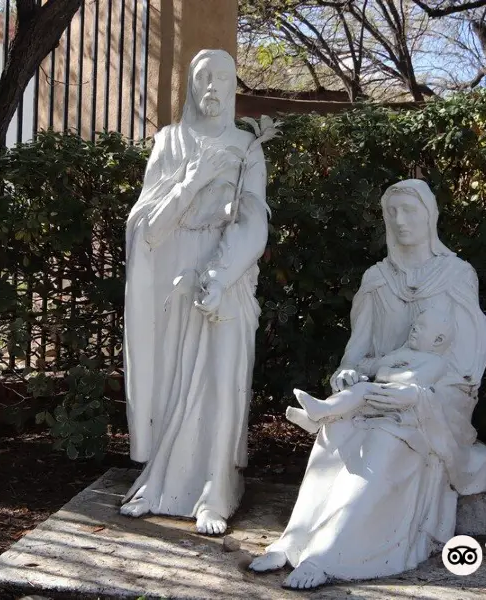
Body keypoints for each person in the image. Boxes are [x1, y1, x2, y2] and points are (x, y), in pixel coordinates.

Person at [249, 179, 486, 589]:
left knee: (381, 441)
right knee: (336, 430)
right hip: (375, 394)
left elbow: (465, 370)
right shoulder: (377, 279)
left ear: (430, 215)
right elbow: (357, 354)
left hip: (426, 407)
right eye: (391, 212)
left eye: (409, 210)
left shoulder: (456, 276)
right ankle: (295, 542)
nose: (400, 221)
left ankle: (332, 554)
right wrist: (347, 375)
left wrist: (416, 398)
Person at [121, 49, 269, 536]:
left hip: (225, 275)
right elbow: (145, 227)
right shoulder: (169, 141)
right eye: (203, 76)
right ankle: (161, 482)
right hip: (170, 275)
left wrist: (222, 275)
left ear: (232, 87)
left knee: (220, 380)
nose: (213, 86)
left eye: (222, 78)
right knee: (170, 383)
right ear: (191, 84)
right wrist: (192, 182)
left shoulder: (248, 148)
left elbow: (253, 221)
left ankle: (215, 489)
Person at [286, 306, 453, 432]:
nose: (414, 329)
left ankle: (322, 412)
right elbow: (379, 364)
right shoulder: (405, 351)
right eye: (414, 326)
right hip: (380, 391)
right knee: (354, 392)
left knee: (362, 392)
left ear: (438, 340)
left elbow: (415, 380)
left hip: (399, 400)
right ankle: (317, 420)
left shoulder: (436, 362)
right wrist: (385, 365)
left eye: (421, 327)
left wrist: (385, 373)